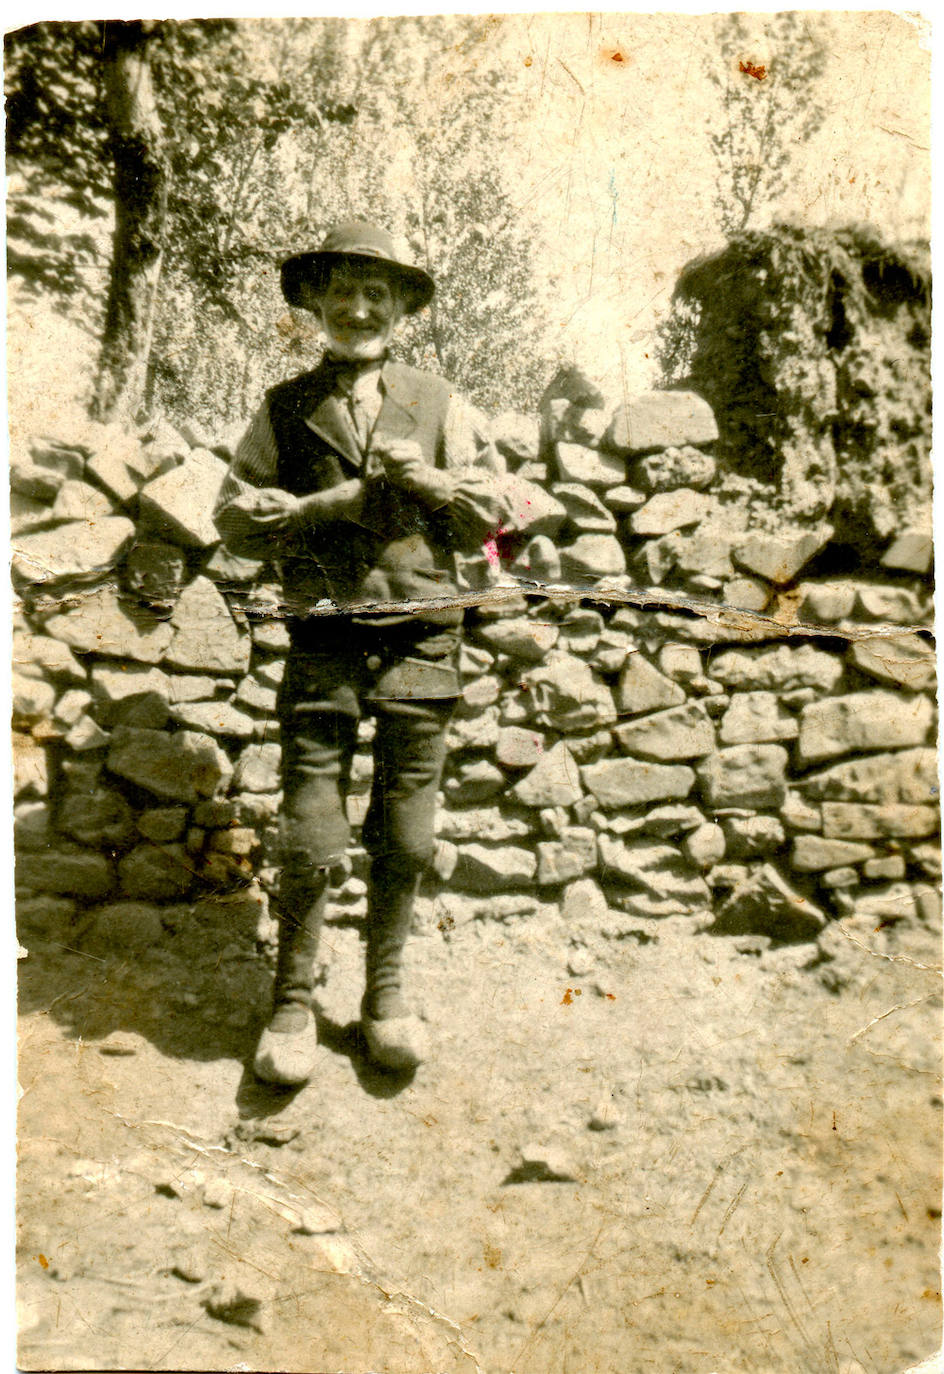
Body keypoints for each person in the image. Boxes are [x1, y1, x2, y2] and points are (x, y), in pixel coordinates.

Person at [214, 221, 513, 1085]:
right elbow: (232, 517)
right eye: (340, 291)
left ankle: (386, 999)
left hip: (423, 632)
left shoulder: (442, 401)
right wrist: (276, 514)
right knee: (312, 831)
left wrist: (430, 481)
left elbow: (494, 513)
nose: (356, 308)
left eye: (375, 293)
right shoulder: (283, 407)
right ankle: (291, 1005)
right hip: (326, 635)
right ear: (314, 304)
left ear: (401, 309)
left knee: (408, 835)